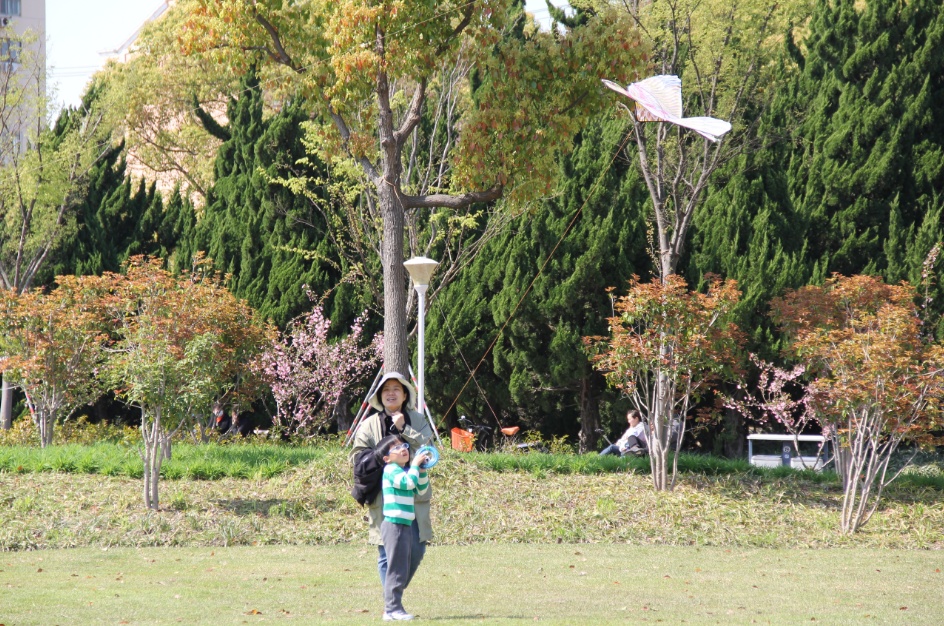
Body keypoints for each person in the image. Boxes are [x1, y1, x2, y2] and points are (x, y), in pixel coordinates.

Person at [350, 372, 435, 590]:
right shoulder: (369, 425)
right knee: (386, 553)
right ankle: (392, 603)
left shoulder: (417, 420)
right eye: (386, 389)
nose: (391, 393)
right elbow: (356, 458)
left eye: (396, 388)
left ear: (405, 395)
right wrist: (383, 454)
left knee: (416, 551)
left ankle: (393, 594)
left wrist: (405, 430)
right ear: (380, 396)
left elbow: (430, 452)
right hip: (385, 498)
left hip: (413, 497)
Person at [376, 435, 431, 621]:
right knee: (396, 569)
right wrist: (415, 465)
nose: (403, 449)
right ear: (387, 458)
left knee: (401, 567)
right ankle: (392, 610)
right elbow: (408, 483)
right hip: (394, 525)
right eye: (397, 448)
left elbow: (420, 490)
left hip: (404, 525)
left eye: (404, 446)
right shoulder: (391, 470)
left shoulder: (404, 470)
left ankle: (393, 608)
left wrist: (422, 470)